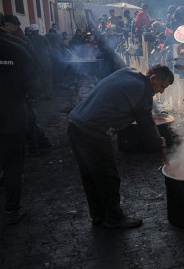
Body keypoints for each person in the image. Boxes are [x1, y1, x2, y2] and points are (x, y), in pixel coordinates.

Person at [68, 64, 173, 228]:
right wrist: (157, 141)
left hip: (75, 124)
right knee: (108, 176)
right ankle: (114, 218)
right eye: (161, 86)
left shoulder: (128, 71)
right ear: (153, 78)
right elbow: (146, 123)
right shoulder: (143, 92)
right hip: (93, 132)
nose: (161, 91)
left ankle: (98, 215)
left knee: (90, 175)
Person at [0, 3, 37, 224]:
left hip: (8, 117)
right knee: (12, 166)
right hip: (10, 118)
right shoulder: (15, 47)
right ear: (1, 21)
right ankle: (12, 210)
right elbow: (32, 83)